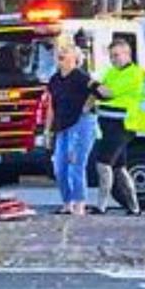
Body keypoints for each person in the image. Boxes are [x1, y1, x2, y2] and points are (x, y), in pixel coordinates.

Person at [44, 43, 100, 216]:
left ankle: (79, 203)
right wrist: (48, 130)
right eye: (59, 52)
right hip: (62, 125)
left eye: (66, 52)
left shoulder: (81, 76)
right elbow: (51, 106)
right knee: (59, 166)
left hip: (81, 123)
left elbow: (96, 92)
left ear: (75, 58)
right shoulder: (54, 80)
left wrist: (86, 107)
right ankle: (67, 202)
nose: (61, 54)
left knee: (76, 163)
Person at [93, 39, 144, 215]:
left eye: (116, 55)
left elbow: (107, 93)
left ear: (127, 54)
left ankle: (101, 206)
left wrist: (92, 84)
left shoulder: (134, 73)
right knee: (119, 167)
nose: (113, 59)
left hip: (122, 125)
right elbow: (101, 91)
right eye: (111, 56)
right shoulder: (112, 72)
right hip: (108, 125)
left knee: (103, 163)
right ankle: (134, 207)